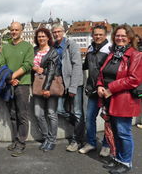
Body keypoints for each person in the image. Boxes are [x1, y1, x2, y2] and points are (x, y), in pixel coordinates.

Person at [97, 24, 142, 173]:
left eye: (123, 36)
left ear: (129, 38)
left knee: (123, 133)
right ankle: (117, 159)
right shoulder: (112, 53)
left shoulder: (136, 55)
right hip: (109, 99)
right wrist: (99, 86)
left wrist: (111, 88)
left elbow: (134, 79)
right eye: (117, 36)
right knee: (114, 131)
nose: (120, 38)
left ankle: (126, 162)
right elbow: (102, 73)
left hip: (124, 100)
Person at [0, 21, 34, 157]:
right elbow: (1, 64)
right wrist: (9, 78)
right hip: (9, 84)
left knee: (22, 115)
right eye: (12, 30)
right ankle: (15, 140)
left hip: (23, 84)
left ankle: (21, 143)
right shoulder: (6, 47)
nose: (14, 32)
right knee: (13, 114)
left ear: (21, 31)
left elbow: (28, 65)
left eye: (16, 30)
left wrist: (12, 76)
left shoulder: (27, 47)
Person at [52, 23, 85, 152]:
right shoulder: (53, 47)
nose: (56, 34)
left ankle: (76, 140)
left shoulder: (72, 45)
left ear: (63, 31)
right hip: (61, 84)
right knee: (59, 110)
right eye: (54, 32)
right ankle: (81, 127)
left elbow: (77, 66)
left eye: (59, 31)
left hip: (74, 83)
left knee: (77, 112)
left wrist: (72, 87)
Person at [79, 25, 111, 156]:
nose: (98, 36)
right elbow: (85, 65)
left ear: (105, 35)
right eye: (95, 34)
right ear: (92, 36)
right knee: (89, 118)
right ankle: (91, 143)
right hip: (92, 89)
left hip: (106, 90)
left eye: (100, 34)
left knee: (108, 119)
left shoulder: (109, 49)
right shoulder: (91, 48)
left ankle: (106, 145)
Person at [32, 27, 59, 152]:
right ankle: (46, 137)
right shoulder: (34, 50)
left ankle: (52, 140)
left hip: (49, 85)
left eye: (43, 36)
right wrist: (35, 68)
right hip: (37, 85)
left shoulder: (52, 51)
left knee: (51, 113)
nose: (41, 38)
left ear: (48, 37)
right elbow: (29, 63)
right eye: (39, 36)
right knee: (38, 113)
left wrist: (46, 88)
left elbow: (52, 70)